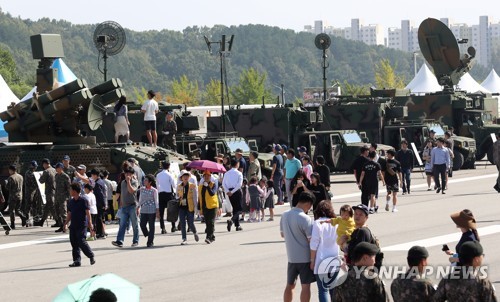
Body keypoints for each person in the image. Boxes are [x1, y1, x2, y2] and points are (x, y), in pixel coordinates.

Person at [280, 191, 316, 302]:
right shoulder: (305, 219)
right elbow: (311, 241)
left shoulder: (284, 215)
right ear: (309, 204)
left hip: (291, 258)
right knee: (306, 286)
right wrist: (312, 259)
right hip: (305, 258)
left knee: (290, 285)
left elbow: (282, 234)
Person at [310, 200, 339, 302]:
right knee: (333, 290)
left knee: (323, 290)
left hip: (321, 260)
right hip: (334, 259)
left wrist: (312, 261)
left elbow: (314, 244)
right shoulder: (336, 223)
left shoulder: (317, 224)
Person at [62, 183, 95, 267]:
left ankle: (91, 255)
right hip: (73, 226)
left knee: (81, 242)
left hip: (81, 225)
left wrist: (90, 224)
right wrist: (65, 223)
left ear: (74, 191)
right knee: (74, 243)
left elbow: (88, 213)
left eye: (70, 190)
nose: (70, 191)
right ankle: (77, 261)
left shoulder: (83, 200)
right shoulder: (71, 201)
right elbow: (69, 214)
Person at [112, 167, 140, 248]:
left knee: (134, 224)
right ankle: (119, 241)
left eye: (129, 174)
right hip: (124, 206)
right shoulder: (122, 183)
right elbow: (122, 194)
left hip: (132, 206)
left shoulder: (135, 182)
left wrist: (128, 182)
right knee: (122, 224)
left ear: (132, 175)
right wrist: (120, 204)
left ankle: (135, 241)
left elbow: (131, 191)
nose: (127, 175)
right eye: (126, 173)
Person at [177, 171, 199, 245]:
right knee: (182, 223)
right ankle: (184, 239)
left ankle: (195, 232)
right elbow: (177, 195)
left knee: (190, 223)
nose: (185, 177)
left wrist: (196, 209)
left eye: (187, 176)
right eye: (184, 176)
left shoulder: (193, 186)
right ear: (181, 178)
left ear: (189, 177)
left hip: (190, 206)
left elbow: (195, 197)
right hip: (181, 207)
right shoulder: (179, 186)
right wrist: (178, 197)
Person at [222, 159, 244, 232]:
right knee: (239, 209)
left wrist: (228, 191)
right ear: (237, 164)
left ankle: (237, 225)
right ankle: (231, 220)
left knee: (235, 208)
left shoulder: (227, 173)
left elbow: (223, 184)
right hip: (236, 191)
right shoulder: (239, 173)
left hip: (229, 192)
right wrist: (233, 191)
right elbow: (239, 185)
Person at [138, 174, 159, 248]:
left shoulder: (154, 190)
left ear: (150, 182)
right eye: (144, 180)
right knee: (142, 224)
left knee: (151, 226)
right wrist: (138, 207)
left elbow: (156, 201)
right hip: (144, 209)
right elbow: (140, 199)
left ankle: (150, 242)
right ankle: (147, 234)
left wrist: (157, 211)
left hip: (152, 209)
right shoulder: (142, 189)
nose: (144, 181)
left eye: (146, 180)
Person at [156, 161, 177, 234]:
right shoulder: (169, 175)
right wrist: (175, 193)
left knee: (161, 212)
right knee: (171, 210)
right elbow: (174, 185)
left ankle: (163, 228)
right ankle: (173, 226)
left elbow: (157, 185)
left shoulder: (158, 175)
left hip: (161, 194)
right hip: (169, 194)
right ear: (169, 166)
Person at [198, 170, 218, 244]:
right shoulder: (200, 186)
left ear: (210, 177)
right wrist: (199, 208)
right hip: (204, 206)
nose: (206, 177)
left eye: (208, 176)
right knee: (207, 223)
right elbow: (200, 197)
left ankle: (208, 237)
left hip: (213, 206)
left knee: (211, 222)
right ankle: (212, 236)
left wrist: (208, 187)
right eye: (205, 176)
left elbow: (212, 193)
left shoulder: (213, 184)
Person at [35, 158, 56, 227]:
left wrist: (40, 176)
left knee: (52, 207)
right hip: (55, 191)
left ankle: (58, 221)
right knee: (47, 207)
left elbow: (41, 181)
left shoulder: (46, 171)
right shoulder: (54, 170)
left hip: (49, 191)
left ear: (45, 164)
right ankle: (42, 221)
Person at [6, 165, 26, 229]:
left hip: (13, 196)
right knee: (18, 210)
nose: (9, 171)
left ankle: (12, 224)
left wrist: (6, 183)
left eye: (9, 170)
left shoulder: (11, 178)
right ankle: (23, 217)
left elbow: (8, 187)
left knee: (12, 210)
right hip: (20, 195)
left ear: (11, 170)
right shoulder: (21, 176)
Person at [90, 169, 108, 239]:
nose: (92, 176)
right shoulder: (102, 182)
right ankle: (101, 233)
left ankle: (101, 233)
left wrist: (103, 204)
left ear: (95, 175)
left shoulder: (97, 183)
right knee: (100, 218)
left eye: (92, 175)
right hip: (101, 203)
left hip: (99, 203)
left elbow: (101, 195)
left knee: (99, 218)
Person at [54, 162, 71, 233]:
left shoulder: (65, 176)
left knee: (63, 212)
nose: (56, 169)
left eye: (57, 168)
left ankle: (65, 226)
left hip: (63, 197)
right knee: (57, 212)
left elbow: (69, 188)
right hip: (57, 196)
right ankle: (61, 225)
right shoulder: (56, 176)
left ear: (61, 168)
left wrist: (68, 197)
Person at [23, 160, 41, 226]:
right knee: (28, 206)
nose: (36, 168)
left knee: (35, 206)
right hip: (29, 192)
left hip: (34, 191)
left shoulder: (34, 173)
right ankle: (27, 220)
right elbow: (33, 182)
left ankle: (35, 220)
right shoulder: (28, 173)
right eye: (35, 166)